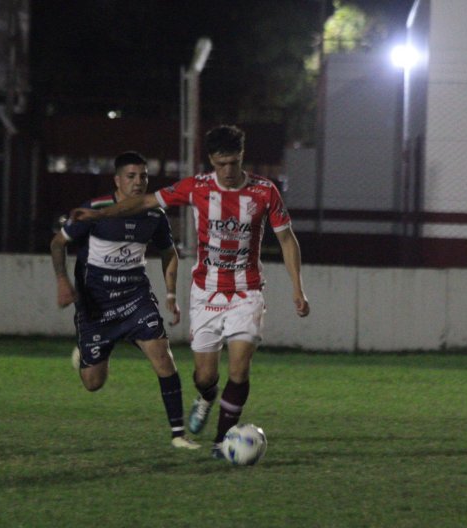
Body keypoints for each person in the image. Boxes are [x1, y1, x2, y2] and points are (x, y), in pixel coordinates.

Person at [74, 125, 310, 458]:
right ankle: (206, 395)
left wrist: (297, 289)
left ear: (242, 157)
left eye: (234, 162)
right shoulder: (195, 187)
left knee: (240, 368)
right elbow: (142, 202)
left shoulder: (264, 191)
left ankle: (222, 441)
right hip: (206, 292)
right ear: (211, 160)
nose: (228, 171)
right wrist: (101, 214)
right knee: (204, 375)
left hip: (247, 290)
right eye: (220, 163)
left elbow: (287, 239)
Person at [51, 151, 199, 450]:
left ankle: (179, 435)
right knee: (93, 383)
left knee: (164, 360)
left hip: (135, 299)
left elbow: (169, 252)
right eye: (131, 176)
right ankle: (87, 351)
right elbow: (58, 242)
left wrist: (170, 294)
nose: (138, 182)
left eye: (143, 176)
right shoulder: (95, 208)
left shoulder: (154, 215)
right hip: (96, 304)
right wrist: (63, 280)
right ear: (117, 180)